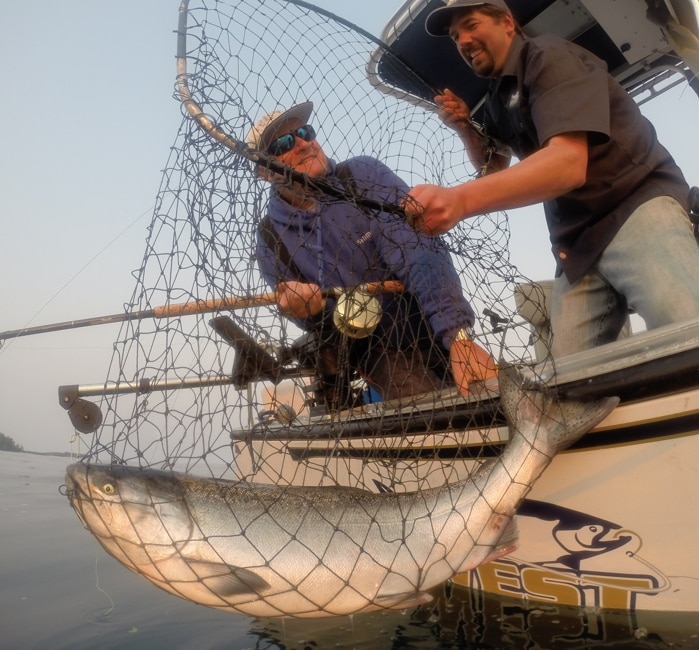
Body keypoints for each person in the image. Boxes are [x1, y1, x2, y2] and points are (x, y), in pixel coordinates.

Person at [405, 0, 699, 357]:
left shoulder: (547, 55)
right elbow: (493, 166)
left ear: (508, 24)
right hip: (577, 245)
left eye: (471, 24)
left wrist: (459, 200)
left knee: (688, 338)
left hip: (634, 206)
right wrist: (466, 128)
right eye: (455, 36)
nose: (463, 40)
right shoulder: (497, 97)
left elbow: (567, 164)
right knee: (571, 381)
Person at [246, 101, 496, 406]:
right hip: (381, 354)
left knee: (493, 396)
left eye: (305, 132)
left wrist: (457, 336)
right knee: (440, 418)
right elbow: (321, 327)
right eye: (284, 142)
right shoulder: (270, 239)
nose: (302, 143)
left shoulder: (362, 174)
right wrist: (306, 311)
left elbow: (417, 248)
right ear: (264, 171)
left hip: (437, 323)